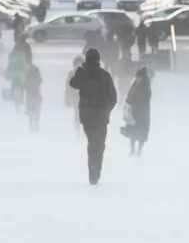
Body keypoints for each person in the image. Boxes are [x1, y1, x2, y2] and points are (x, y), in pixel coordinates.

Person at [69, 48, 117, 185]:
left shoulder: (83, 74)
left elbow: (73, 84)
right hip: (101, 117)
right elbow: (113, 97)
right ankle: (96, 171)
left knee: (92, 143)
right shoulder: (104, 75)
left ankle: (92, 170)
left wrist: (80, 70)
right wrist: (107, 110)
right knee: (99, 144)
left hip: (87, 116)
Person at [122, 67, 152, 156]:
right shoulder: (135, 84)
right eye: (136, 77)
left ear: (142, 77)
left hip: (142, 113)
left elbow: (147, 97)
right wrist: (127, 102)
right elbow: (130, 94)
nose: (137, 78)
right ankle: (132, 149)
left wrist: (135, 101)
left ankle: (139, 151)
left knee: (141, 132)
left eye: (138, 77)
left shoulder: (146, 86)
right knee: (132, 131)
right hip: (133, 112)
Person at [5, 40, 30, 110]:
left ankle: (12, 96)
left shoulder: (11, 55)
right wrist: (27, 70)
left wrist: (7, 72)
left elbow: (9, 65)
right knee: (22, 86)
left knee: (13, 84)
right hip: (21, 74)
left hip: (13, 74)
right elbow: (24, 65)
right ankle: (21, 99)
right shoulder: (22, 55)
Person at [64, 56, 83, 132]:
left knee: (78, 114)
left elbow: (68, 85)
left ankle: (79, 130)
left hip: (78, 97)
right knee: (79, 114)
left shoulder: (71, 73)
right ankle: (79, 130)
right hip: (79, 97)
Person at [25, 63, 43, 131]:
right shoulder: (37, 75)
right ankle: (37, 124)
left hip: (29, 95)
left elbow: (25, 84)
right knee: (37, 111)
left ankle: (31, 125)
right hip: (36, 95)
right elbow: (41, 81)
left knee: (30, 111)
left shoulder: (28, 74)